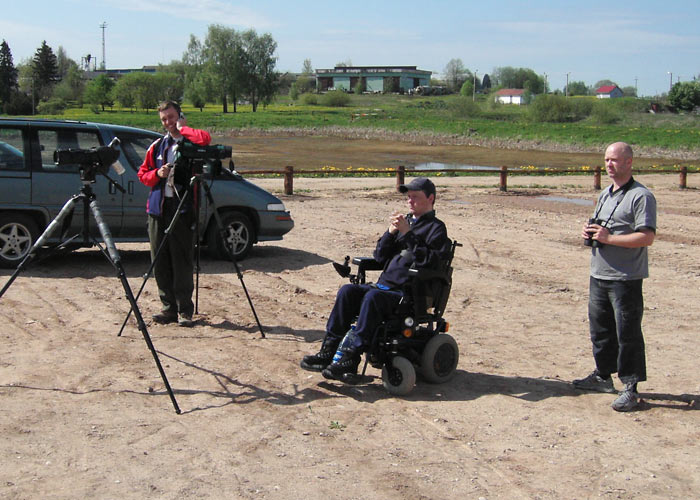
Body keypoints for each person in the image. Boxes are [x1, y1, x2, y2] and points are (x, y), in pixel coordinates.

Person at [300, 177, 451, 381]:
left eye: (415, 197)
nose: (410, 201)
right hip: (383, 286)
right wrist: (391, 233)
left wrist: (407, 234)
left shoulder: (436, 229)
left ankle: (351, 358)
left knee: (372, 297)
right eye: (408, 197)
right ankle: (328, 351)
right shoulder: (405, 222)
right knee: (348, 291)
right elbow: (380, 256)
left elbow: (430, 262)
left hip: (407, 294)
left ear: (431, 198)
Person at [573, 142, 657, 412]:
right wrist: (591, 233)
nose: (610, 164)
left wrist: (610, 238)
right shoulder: (607, 194)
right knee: (601, 330)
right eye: (607, 160)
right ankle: (602, 376)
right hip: (599, 274)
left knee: (627, 334)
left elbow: (647, 236)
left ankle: (630, 388)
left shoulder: (641, 196)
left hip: (626, 278)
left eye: (615, 160)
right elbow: (603, 228)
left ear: (629, 162)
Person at [137, 101, 211, 327]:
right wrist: (158, 174)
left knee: (182, 259)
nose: (168, 122)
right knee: (160, 259)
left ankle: (184, 310)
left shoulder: (191, 141)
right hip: (158, 208)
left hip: (184, 207)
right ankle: (167, 307)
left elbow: (206, 139)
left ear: (179, 116)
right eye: (164, 119)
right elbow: (142, 174)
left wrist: (183, 128)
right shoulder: (157, 146)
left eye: (171, 117)